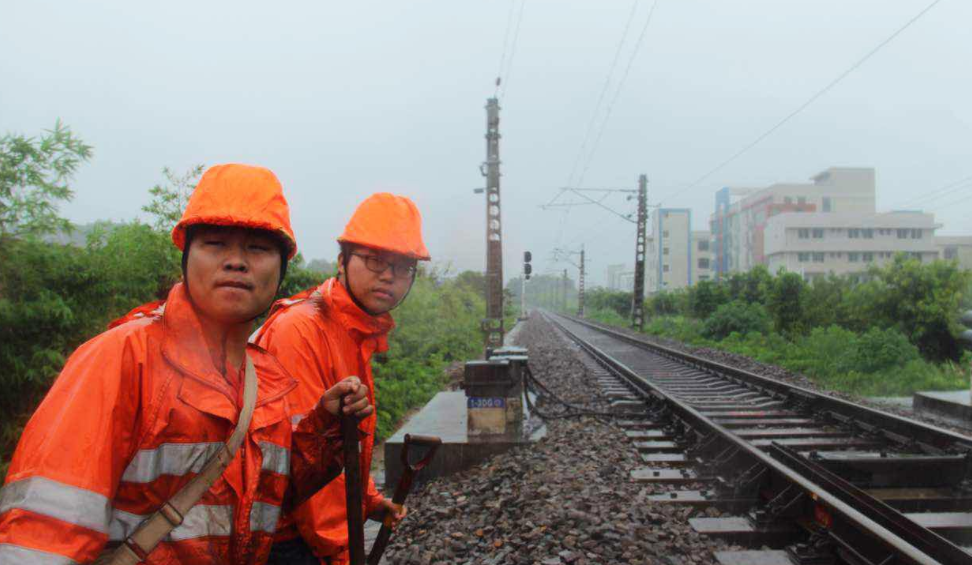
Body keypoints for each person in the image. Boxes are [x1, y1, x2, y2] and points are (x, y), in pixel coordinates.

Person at [0, 164, 372, 565]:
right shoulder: (123, 358)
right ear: (186, 256)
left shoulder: (265, 379)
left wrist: (324, 430)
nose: (236, 262)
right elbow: (44, 533)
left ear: (281, 269)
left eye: (258, 249)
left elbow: (264, 498)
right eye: (215, 243)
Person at [256, 193, 431, 565]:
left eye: (403, 267)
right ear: (342, 261)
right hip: (285, 538)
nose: (389, 275)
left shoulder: (353, 331)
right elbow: (304, 467)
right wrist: (343, 553)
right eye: (374, 261)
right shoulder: (301, 331)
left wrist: (367, 501)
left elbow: (343, 442)